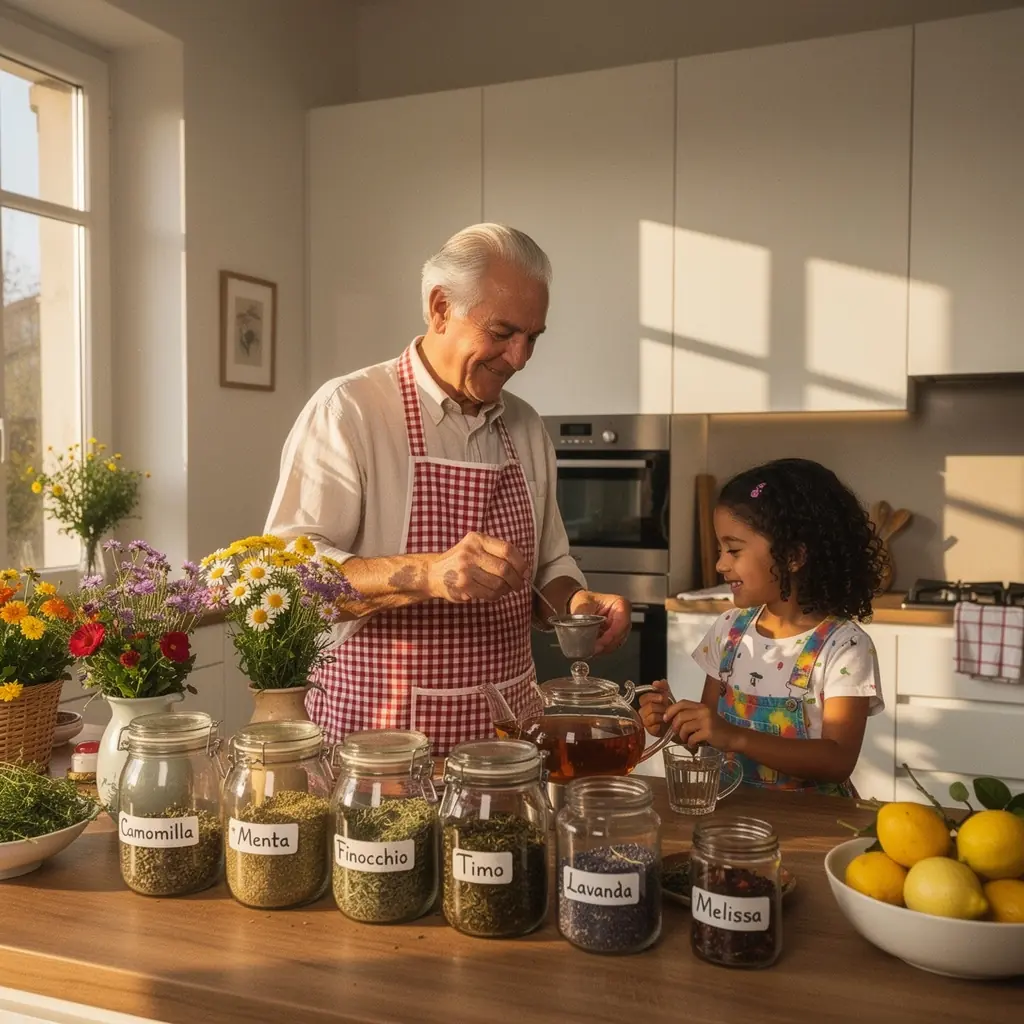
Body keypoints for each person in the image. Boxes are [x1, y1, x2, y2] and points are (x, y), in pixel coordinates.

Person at [265, 223, 630, 755]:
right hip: (377, 743)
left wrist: (575, 604)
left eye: (534, 337)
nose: (520, 358)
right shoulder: (350, 410)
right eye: (503, 332)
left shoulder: (525, 426)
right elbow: (292, 575)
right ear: (440, 308)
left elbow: (549, 567)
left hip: (507, 748)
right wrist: (430, 573)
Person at [640, 458, 885, 795]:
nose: (720, 564)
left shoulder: (844, 647)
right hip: (735, 819)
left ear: (793, 557)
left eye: (734, 550)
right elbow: (711, 741)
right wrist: (674, 721)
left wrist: (735, 736)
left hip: (813, 826)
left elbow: (838, 760)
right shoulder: (729, 631)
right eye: (720, 549)